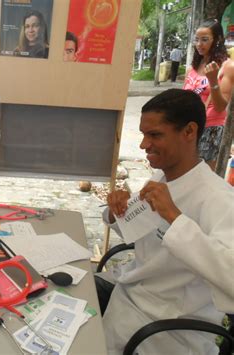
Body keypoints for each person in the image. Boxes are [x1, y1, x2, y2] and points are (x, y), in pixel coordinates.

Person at [97, 89, 233, 354]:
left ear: (189, 132)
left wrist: (175, 218)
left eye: (155, 135)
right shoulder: (163, 179)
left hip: (167, 326)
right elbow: (138, 229)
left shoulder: (220, 199)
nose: (143, 145)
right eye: (144, 134)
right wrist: (117, 211)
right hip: (131, 295)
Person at [183, 19, 234, 170]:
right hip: (188, 127)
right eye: (197, 40)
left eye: (205, 40)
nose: (199, 44)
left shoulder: (228, 66)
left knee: (201, 177)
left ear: (217, 40)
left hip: (210, 130)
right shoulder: (195, 65)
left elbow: (220, 106)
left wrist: (213, 81)